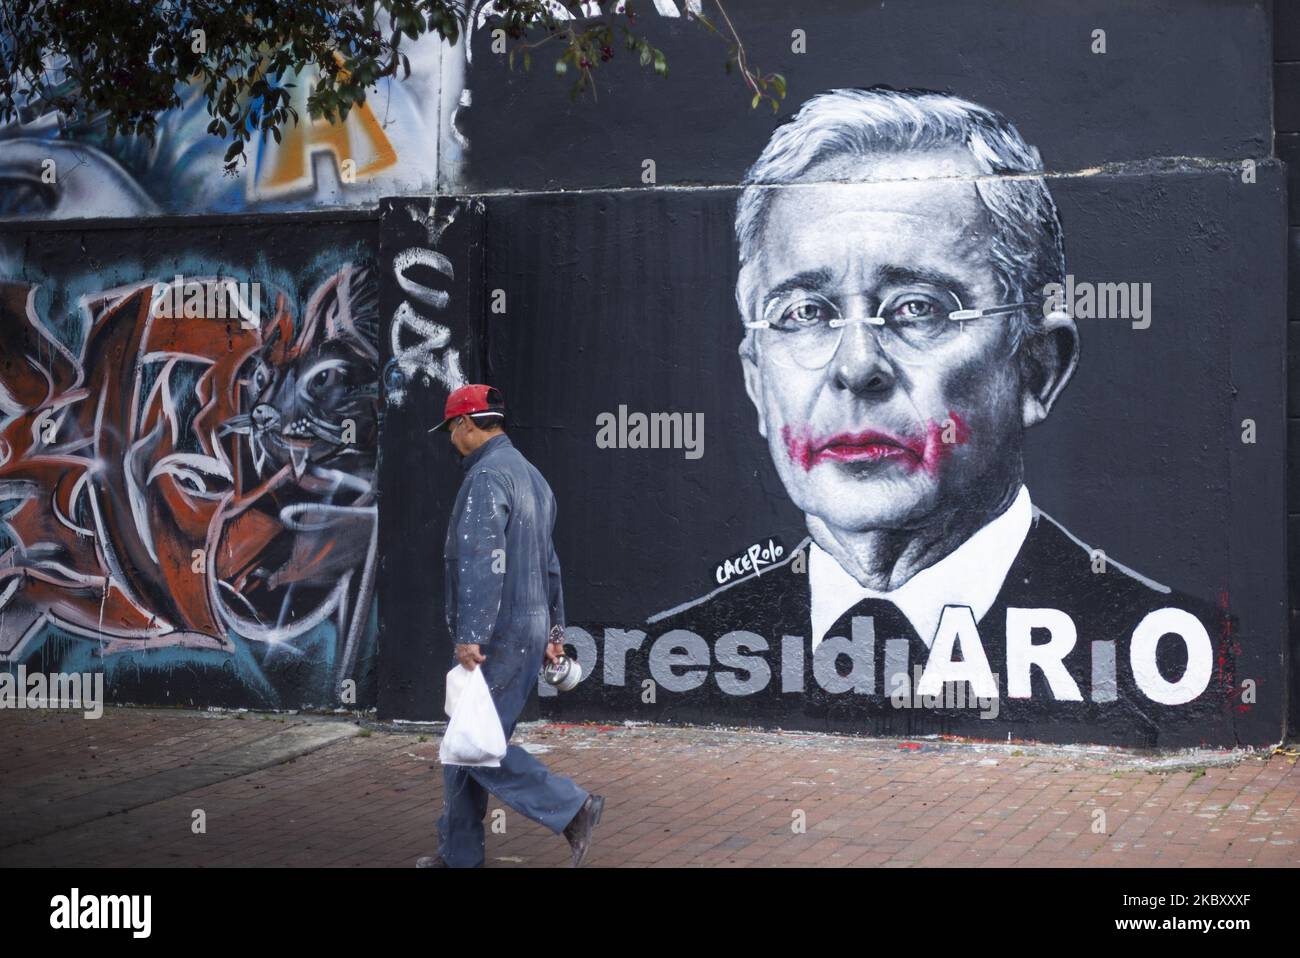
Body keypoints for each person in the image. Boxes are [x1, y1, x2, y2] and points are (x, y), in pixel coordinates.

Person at [648, 87, 1229, 744]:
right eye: (805, 313)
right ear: (757, 382)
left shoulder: (1180, 654)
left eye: (918, 307)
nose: (856, 366)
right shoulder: (668, 657)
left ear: (1035, 368)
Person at [418, 383, 604, 868]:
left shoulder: (486, 478)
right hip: (528, 626)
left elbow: (482, 561)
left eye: (450, 430)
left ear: (465, 423)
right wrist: (553, 635)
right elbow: (551, 565)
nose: (450, 441)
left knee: (477, 745)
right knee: (465, 737)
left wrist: (470, 636)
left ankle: (571, 807)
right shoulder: (533, 477)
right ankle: (456, 855)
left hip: (497, 633)